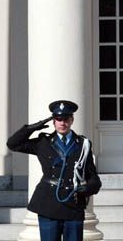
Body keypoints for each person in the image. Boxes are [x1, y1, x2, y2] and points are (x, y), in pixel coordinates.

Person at [6, 100, 102, 241]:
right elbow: (13, 144)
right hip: (48, 204)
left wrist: (88, 188)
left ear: (72, 120)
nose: (62, 123)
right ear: (54, 121)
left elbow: (93, 178)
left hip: (73, 204)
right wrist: (31, 128)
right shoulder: (43, 143)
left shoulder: (83, 144)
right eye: (59, 119)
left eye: (66, 119)